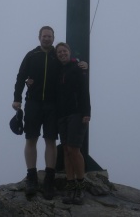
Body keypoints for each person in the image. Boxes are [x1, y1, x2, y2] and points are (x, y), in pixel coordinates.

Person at [12, 26, 87, 200]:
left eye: (50, 36)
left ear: (53, 38)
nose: (47, 39)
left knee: (50, 140)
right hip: (33, 103)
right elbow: (21, 76)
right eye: (44, 36)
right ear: (39, 37)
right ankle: (31, 178)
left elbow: (70, 62)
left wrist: (82, 63)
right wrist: (17, 98)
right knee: (31, 138)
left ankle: (49, 180)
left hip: (53, 105)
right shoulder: (31, 55)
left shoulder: (56, 55)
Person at [55, 42, 91, 205]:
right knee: (66, 150)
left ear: (69, 52)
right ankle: (70, 187)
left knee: (74, 149)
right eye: (59, 52)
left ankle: (80, 185)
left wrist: (86, 112)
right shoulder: (58, 70)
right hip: (62, 115)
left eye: (64, 51)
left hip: (77, 113)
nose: (62, 54)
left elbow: (84, 90)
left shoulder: (77, 67)